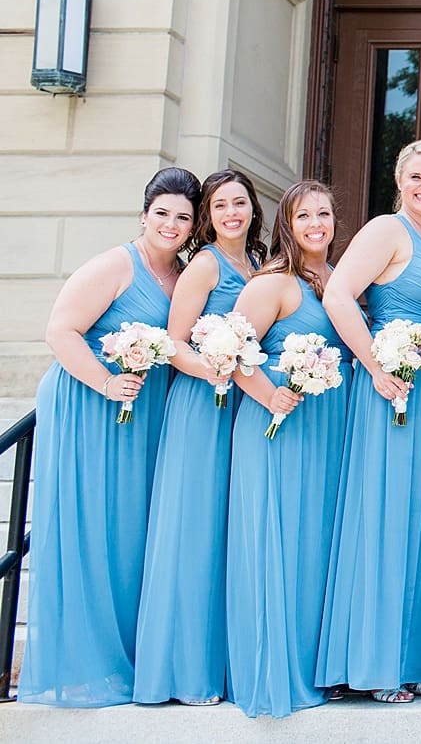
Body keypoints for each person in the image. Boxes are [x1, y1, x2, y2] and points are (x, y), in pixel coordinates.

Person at [19, 167, 200, 707]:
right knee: (94, 529)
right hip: (91, 406)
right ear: (144, 214)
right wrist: (104, 382)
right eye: (162, 213)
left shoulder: (187, 272)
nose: (171, 224)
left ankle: (134, 653)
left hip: (143, 415)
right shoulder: (117, 265)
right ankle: (88, 664)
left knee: (132, 534)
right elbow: (60, 330)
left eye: (183, 217)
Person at [317, 140, 421, 703]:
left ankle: (412, 657)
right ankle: (373, 663)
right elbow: (338, 295)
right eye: (417, 176)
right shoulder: (384, 229)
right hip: (393, 388)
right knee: (387, 514)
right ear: (399, 179)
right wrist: (375, 365)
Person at [136, 169, 266, 706]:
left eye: (240, 203)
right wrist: (211, 368)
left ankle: (225, 664)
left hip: (243, 404)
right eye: (219, 206)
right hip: (202, 406)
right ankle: (182, 674)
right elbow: (172, 340)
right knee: (192, 530)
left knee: (225, 535)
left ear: (254, 209)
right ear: (207, 217)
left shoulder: (257, 264)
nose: (232, 213)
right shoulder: (206, 265)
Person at [226, 181, 352, 718]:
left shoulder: (338, 279)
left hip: (328, 429)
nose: (316, 224)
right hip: (278, 424)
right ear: (287, 223)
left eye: (324, 213)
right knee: (277, 538)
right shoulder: (271, 282)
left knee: (314, 542)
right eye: (305, 216)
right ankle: (272, 671)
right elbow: (229, 351)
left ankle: (312, 663)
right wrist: (268, 392)